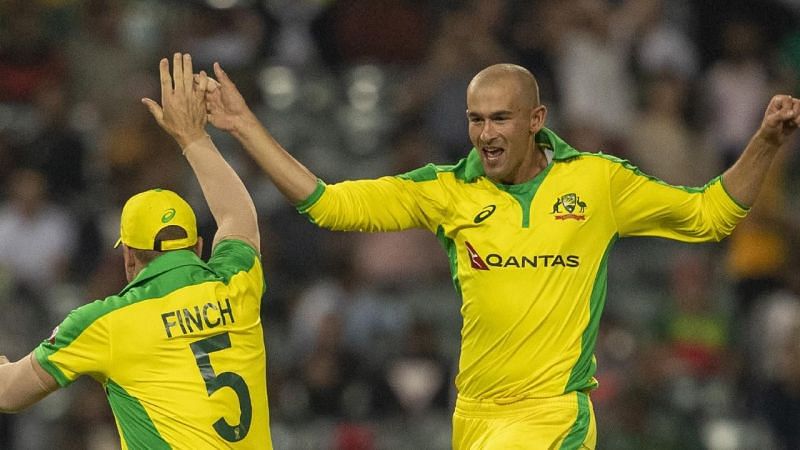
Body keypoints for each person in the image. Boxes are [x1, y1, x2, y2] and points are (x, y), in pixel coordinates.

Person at [203, 58, 800, 448]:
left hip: (553, 415)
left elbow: (711, 215)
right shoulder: (448, 190)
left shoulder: (597, 182)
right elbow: (328, 204)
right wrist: (245, 127)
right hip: (475, 418)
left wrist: (765, 143)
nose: (486, 134)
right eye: (476, 119)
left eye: (501, 119)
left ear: (537, 119)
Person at [0, 53, 273, 449]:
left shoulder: (106, 323)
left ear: (128, 256)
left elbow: (8, 393)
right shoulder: (237, 282)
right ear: (197, 246)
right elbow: (237, 214)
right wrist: (193, 137)